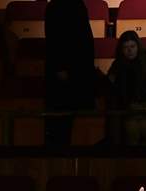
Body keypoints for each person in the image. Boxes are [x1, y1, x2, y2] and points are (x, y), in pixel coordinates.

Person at [45, 0, 97, 146]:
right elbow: (53, 40)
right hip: (65, 70)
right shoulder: (55, 6)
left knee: (79, 119)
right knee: (62, 118)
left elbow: (86, 38)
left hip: (80, 68)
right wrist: (59, 67)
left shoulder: (78, 4)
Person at [108, 31, 146, 145]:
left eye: (132, 46)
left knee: (144, 124)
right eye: (126, 47)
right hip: (129, 109)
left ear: (138, 46)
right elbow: (115, 92)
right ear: (121, 50)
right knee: (131, 126)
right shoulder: (117, 66)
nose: (129, 50)